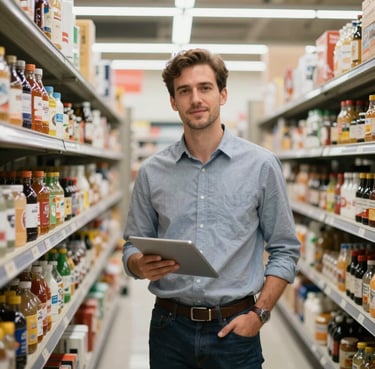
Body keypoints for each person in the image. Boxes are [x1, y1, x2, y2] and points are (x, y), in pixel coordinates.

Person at [122, 48, 300, 369]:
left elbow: (285, 249)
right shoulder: (151, 171)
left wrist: (259, 315)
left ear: (223, 94)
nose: (196, 99)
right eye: (184, 91)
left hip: (235, 329)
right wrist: (138, 264)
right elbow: (133, 245)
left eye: (205, 88)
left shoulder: (261, 165)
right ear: (174, 102)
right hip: (169, 327)